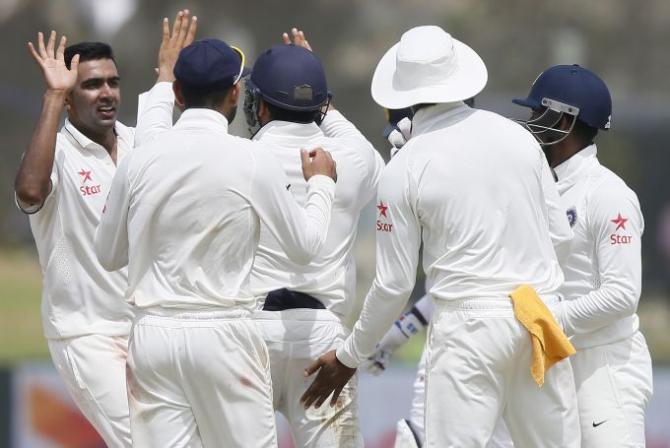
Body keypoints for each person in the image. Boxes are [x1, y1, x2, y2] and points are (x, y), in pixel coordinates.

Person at [300, 25, 580, 447]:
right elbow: (561, 236)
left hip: (468, 329)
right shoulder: (520, 138)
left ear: (402, 96)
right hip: (539, 318)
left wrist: (349, 356)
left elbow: (393, 285)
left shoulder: (404, 167)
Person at [95, 37, 338, 447]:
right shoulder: (249, 158)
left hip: (153, 336)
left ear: (177, 93)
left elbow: (108, 254)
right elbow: (305, 246)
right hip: (225, 335)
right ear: (234, 92)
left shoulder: (138, 159)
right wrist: (321, 186)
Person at [13, 12, 196, 446]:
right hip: (86, 333)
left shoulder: (138, 142)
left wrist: (168, 78)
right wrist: (53, 97)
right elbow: (30, 193)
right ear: (69, 99)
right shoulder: (55, 152)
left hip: (148, 329)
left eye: (112, 82)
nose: (107, 93)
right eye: (92, 85)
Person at [246, 30, 384, 447]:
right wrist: (319, 97)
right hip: (322, 337)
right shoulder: (355, 160)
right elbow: (358, 145)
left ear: (262, 105)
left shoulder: (243, 157)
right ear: (319, 103)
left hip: (251, 331)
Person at [514, 64, 653, 447]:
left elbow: (622, 296)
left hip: (604, 367)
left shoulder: (608, 194)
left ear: (562, 119)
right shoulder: (540, 187)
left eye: (536, 113)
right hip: (553, 366)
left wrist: (542, 321)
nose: (530, 123)